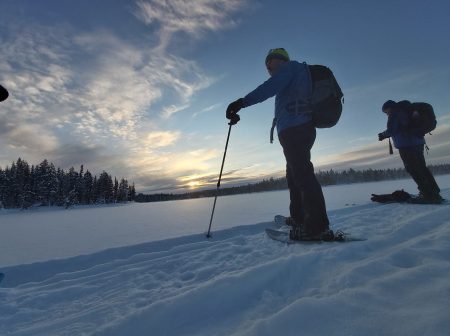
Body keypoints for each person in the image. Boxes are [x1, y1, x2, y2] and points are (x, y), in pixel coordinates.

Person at [226, 48, 333, 241]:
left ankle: (316, 226)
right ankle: (301, 219)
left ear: (281, 60)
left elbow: (268, 88)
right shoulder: (294, 75)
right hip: (297, 129)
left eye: (270, 63)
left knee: (302, 175)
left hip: (296, 129)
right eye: (266, 67)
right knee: (294, 176)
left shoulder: (289, 69)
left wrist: (242, 102)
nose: (268, 69)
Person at [378, 100, 443, 203]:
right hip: (418, 143)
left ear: (389, 108)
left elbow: (391, 130)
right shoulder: (406, 110)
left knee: (414, 169)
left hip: (407, 145)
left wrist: (382, 135)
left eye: (386, 112)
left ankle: (427, 195)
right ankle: (434, 191)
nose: (386, 114)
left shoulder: (394, 113)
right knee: (422, 168)